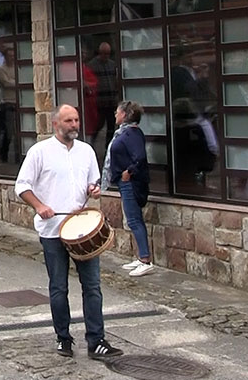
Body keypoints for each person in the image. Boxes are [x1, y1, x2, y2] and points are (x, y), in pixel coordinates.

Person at [15, 104, 123, 360]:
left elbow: (92, 183)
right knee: (58, 288)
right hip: (52, 231)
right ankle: (63, 338)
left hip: (81, 230)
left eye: (76, 120)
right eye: (69, 121)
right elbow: (21, 186)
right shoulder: (39, 152)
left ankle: (96, 341)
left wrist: (93, 190)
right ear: (55, 124)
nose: (74, 124)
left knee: (93, 287)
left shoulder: (86, 151)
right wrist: (39, 206)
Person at [102, 100, 153, 277]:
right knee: (132, 219)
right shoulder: (123, 133)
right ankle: (140, 257)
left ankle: (145, 260)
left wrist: (128, 172)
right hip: (124, 183)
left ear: (125, 114)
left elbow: (139, 156)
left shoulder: (132, 133)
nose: (115, 115)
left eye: (117, 112)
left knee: (134, 220)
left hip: (131, 183)